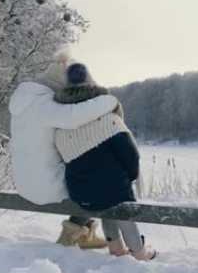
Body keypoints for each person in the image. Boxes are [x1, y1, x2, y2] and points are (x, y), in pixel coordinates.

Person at [9, 52, 115, 248]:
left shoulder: (26, 101)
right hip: (45, 185)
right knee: (101, 181)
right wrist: (109, 101)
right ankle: (71, 235)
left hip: (24, 180)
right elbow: (74, 116)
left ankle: (87, 234)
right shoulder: (44, 103)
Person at [53, 63, 157, 261]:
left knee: (106, 196)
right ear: (91, 83)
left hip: (80, 192)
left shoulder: (60, 125)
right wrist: (130, 176)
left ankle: (115, 246)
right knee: (117, 197)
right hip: (113, 189)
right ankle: (139, 251)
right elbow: (130, 155)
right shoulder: (107, 118)